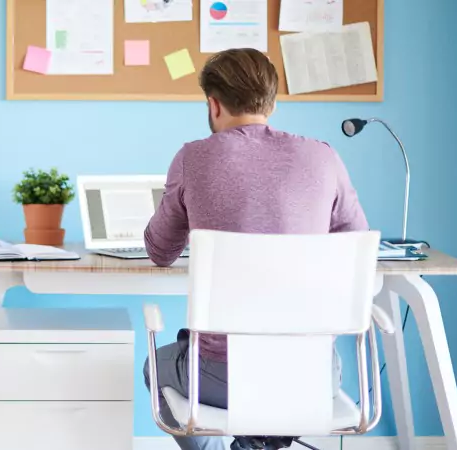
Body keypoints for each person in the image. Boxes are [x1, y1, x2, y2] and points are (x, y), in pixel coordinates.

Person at [142, 48, 369, 450]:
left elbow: (160, 251)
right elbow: (355, 245)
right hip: (312, 376)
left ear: (213, 104)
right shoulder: (324, 156)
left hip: (223, 378)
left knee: (155, 365)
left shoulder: (192, 158)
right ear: (273, 103)